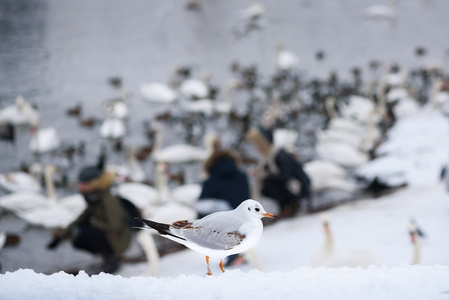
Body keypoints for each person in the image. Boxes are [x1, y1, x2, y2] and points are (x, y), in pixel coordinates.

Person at [46, 160, 132, 274]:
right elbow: (80, 218)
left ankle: (112, 258)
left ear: (94, 182)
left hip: (120, 241)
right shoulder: (95, 198)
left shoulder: (107, 200)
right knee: (80, 233)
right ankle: (108, 257)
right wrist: (60, 237)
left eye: (83, 184)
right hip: (113, 238)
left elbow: (114, 225)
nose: (80, 186)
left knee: (86, 233)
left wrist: (93, 223)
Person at [195, 149, 251, 266]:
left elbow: (202, 204)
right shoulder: (242, 176)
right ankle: (237, 254)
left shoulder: (211, 181)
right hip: (244, 216)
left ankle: (230, 256)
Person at [247, 126, 312, 218]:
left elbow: (286, 176)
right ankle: (286, 205)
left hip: (299, 186)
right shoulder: (268, 158)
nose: (256, 148)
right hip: (291, 187)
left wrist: (265, 175)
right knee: (266, 185)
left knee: (269, 183)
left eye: (258, 145)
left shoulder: (279, 155)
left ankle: (291, 204)